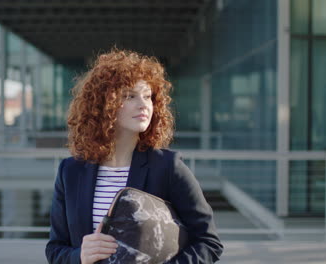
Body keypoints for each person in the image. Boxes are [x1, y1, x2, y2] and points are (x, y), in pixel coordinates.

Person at [45, 48, 223, 264]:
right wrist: (79, 256)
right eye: (130, 96)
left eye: (147, 96)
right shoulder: (70, 171)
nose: (144, 105)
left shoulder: (167, 166)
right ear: (103, 105)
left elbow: (208, 242)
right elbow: (55, 250)